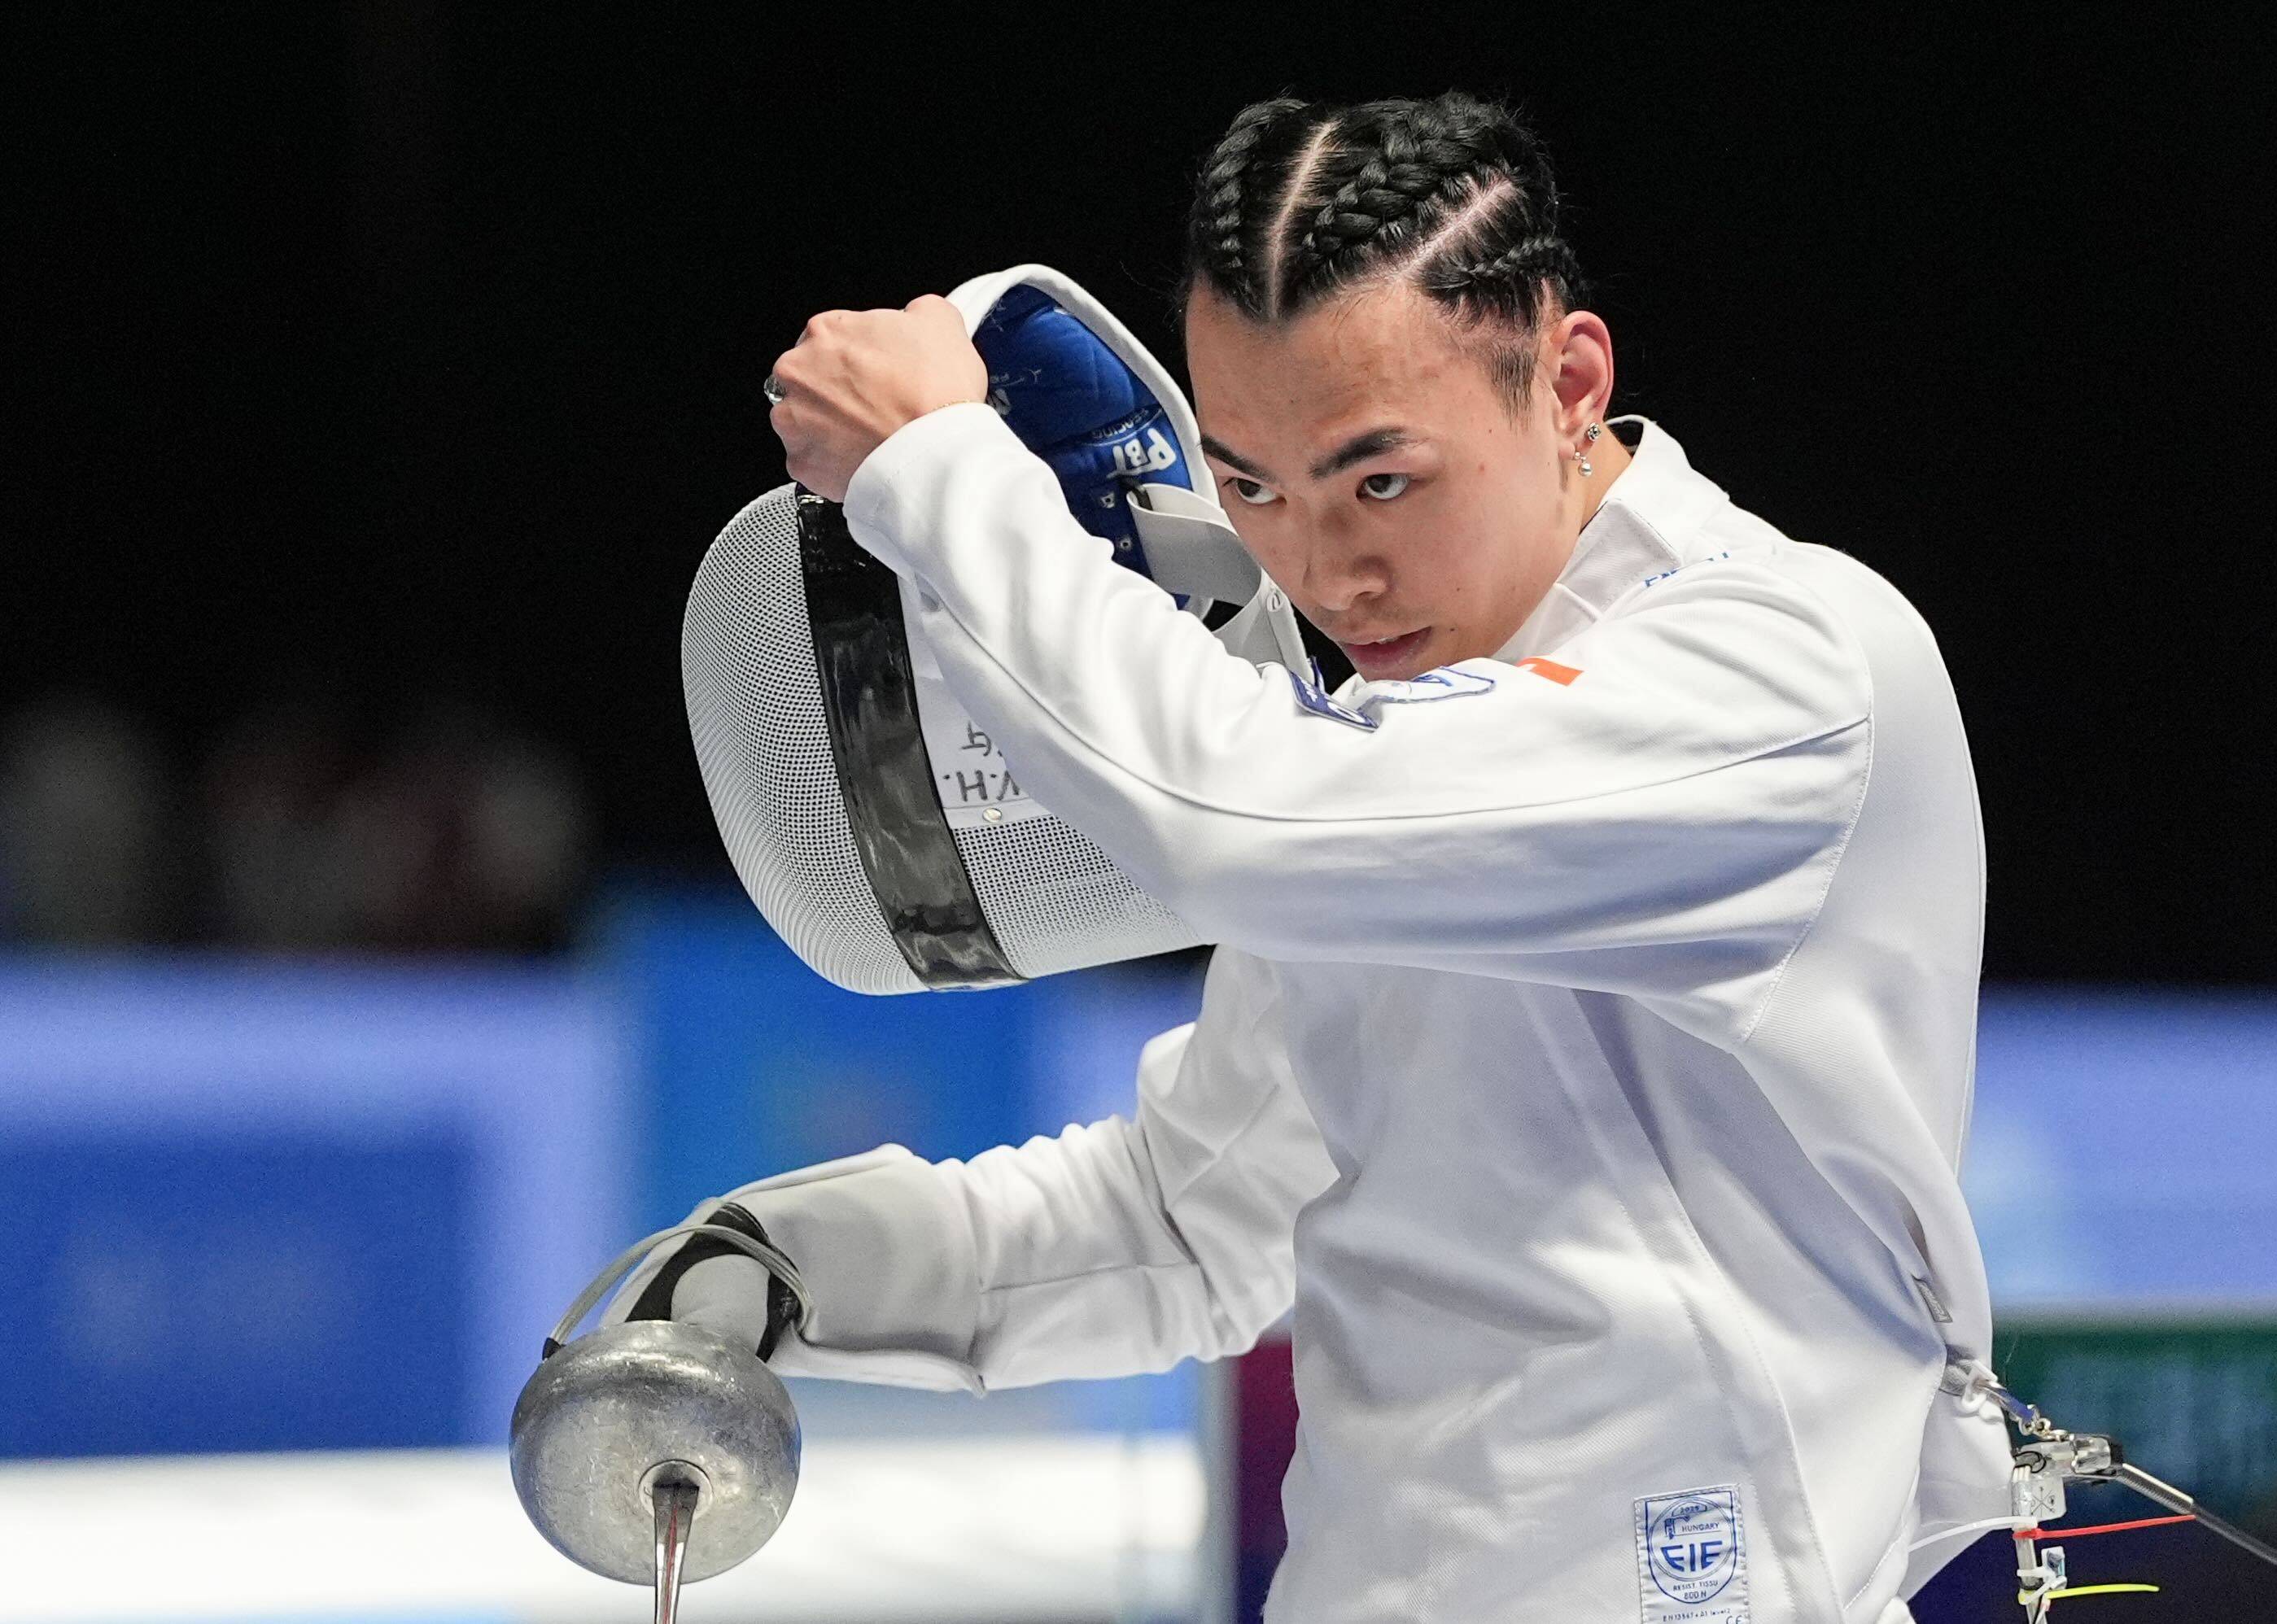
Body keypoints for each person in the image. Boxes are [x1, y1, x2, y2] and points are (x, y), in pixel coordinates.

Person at [614, 92, 2018, 1622]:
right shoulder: (1377, 758)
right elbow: (1189, 1213)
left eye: (1380, 481)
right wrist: (782, 1270)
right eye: (1253, 488)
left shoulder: (1781, 673)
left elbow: (1232, 817)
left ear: (1568, 381)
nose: (1322, 569)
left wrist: (942, 469)